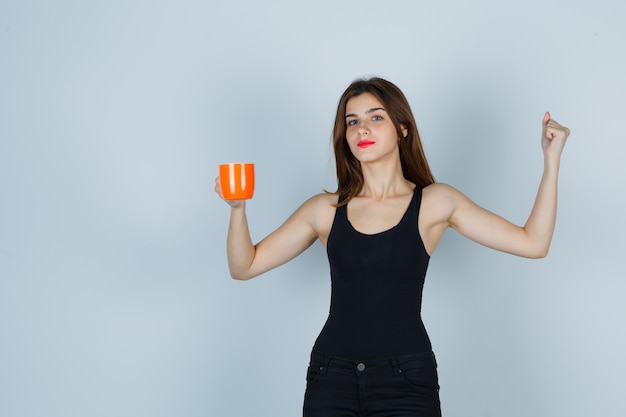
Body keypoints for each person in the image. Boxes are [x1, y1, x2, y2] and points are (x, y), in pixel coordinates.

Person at [214, 77, 570, 416]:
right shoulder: (324, 209)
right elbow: (244, 266)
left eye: (376, 117)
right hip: (330, 377)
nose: (362, 129)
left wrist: (551, 161)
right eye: (352, 121)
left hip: (407, 382)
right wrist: (238, 210)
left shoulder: (435, 202)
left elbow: (533, 243)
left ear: (403, 129)